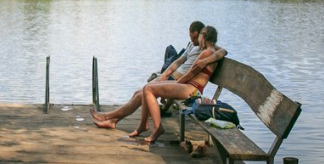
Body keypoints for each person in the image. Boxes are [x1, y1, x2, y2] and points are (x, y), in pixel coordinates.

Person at [89, 21, 226, 129]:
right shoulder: (194, 45)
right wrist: (164, 75)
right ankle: (113, 120)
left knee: (143, 93)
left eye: (196, 36)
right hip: (179, 80)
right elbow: (179, 61)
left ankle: (109, 117)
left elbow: (222, 51)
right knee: (139, 92)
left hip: (184, 83)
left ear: (201, 35)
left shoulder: (205, 50)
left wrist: (206, 61)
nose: (193, 39)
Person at [134, 25, 221, 144]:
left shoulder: (206, 53)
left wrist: (173, 85)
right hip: (190, 86)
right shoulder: (211, 52)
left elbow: (190, 74)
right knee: (147, 88)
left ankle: (157, 128)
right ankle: (143, 125)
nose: (199, 37)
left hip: (192, 89)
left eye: (200, 35)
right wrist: (169, 84)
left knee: (149, 89)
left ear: (204, 36)